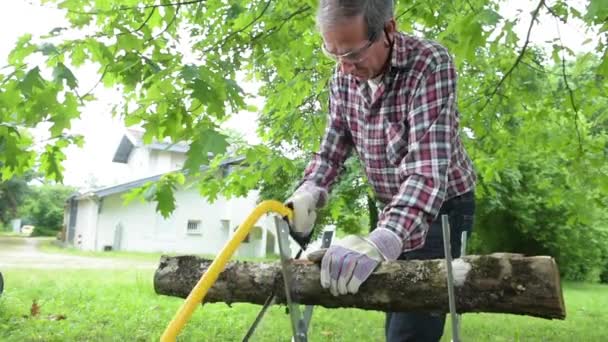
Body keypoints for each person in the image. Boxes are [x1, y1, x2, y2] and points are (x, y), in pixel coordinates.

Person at [285, 0, 477, 341]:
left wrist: (385, 239)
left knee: (410, 330)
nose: (344, 68)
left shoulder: (430, 64)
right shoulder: (344, 80)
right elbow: (332, 150)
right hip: (395, 209)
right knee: (394, 306)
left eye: (354, 55)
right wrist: (310, 190)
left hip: (442, 209)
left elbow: (426, 171)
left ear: (389, 29)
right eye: (334, 55)